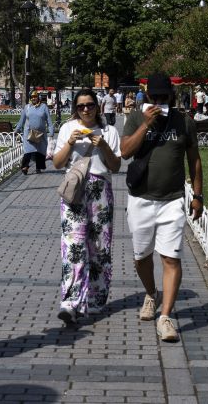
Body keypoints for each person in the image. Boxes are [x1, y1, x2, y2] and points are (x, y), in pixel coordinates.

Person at [120, 72, 203, 343]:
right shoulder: (135, 117)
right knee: (141, 256)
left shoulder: (184, 122)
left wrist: (197, 196)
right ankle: (151, 294)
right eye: (154, 97)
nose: (159, 101)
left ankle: (165, 317)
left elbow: (195, 160)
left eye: (164, 97)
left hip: (172, 199)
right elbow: (125, 152)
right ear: (147, 96)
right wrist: (146, 125)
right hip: (141, 198)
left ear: (172, 96)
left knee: (171, 258)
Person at [51, 88, 122, 324]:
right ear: (75, 109)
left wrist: (103, 146)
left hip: (100, 193)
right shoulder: (66, 129)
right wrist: (70, 143)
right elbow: (57, 164)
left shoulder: (109, 131)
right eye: (80, 106)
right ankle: (70, 303)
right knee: (74, 247)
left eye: (90, 105)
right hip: (75, 192)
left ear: (98, 106)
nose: (85, 110)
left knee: (99, 248)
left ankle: (95, 299)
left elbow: (115, 166)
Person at [15, 91, 52, 174]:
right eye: (32, 97)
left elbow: (49, 121)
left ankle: (38, 167)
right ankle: (25, 166)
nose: (33, 98)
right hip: (28, 133)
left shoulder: (44, 107)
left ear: (38, 97)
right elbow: (22, 120)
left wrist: (51, 132)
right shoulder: (27, 107)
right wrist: (17, 129)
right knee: (28, 151)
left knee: (39, 151)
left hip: (40, 133)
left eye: (35, 96)